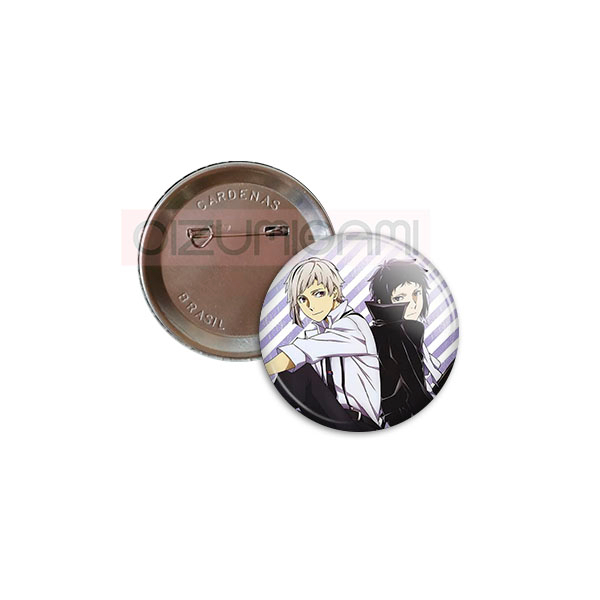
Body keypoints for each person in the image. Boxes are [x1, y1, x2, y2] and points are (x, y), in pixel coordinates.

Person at [265, 258, 381, 431]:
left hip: (359, 425)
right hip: (325, 418)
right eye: (302, 299)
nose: (310, 306)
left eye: (318, 294)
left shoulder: (353, 325)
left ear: (333, 292)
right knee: (290, 374)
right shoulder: (312, 332)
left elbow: (299, 353)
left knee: (299, 371)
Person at [366, 259, 453, 426]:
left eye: (416, 293)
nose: (413, 304)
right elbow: (413, 388)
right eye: (400, 297)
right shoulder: (393, 332)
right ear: (383, 302)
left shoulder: (409, 329)